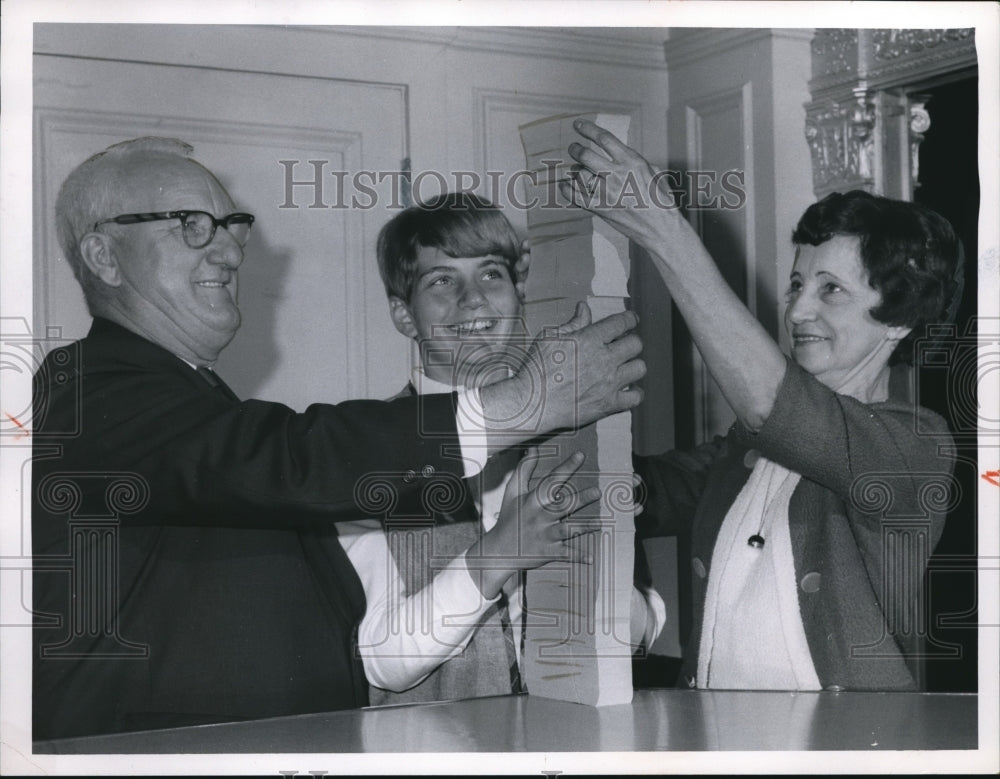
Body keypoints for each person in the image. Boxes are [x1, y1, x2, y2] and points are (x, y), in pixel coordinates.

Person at [31, 137, 645, 740]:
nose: (229, 251)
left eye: (230, 224)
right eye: (192, 223)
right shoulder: (88, 386)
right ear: (105, 256)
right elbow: (286, 458)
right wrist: (522, 406)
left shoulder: (198, 405)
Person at [564, 119, 958, 691]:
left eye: (832, 289)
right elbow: (651, 489)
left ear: (899, 318)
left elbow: (779, 410)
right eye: (798, 285)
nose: (797, 311)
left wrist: (664, 232)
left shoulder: (915, 446)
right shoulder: (749, 447)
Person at [335, 193, 665, 703]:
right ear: (404, 315)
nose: (473, 299)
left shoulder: (572, 435)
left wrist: (597, 566)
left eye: (491, 274)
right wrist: (501, 552)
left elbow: (644, 628)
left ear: (518, 294)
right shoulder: (364, 450)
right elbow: (380, 660)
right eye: (442, 280)